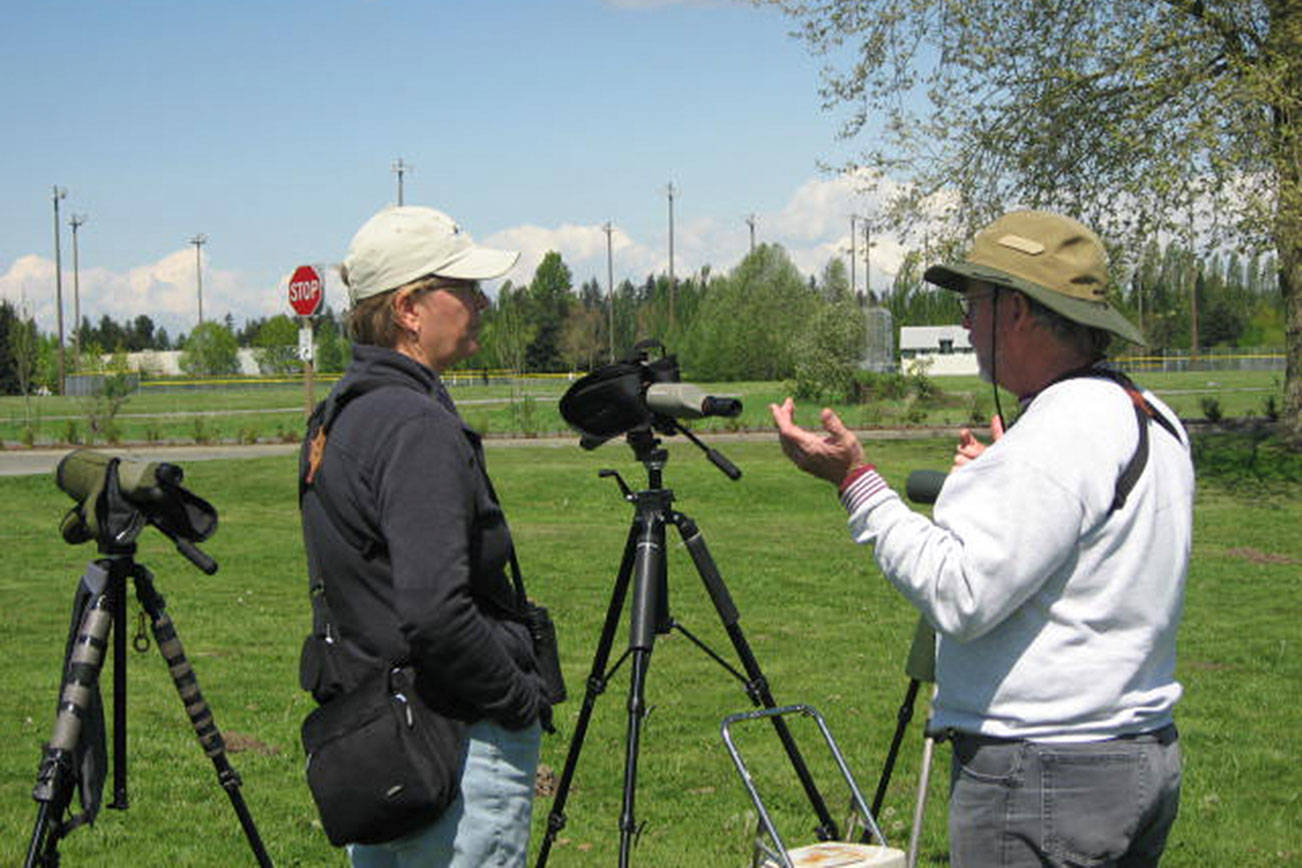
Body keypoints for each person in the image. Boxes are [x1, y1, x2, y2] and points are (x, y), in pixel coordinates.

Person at [771, 211, 1192, 866]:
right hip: (1139, 754)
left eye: (973, 304)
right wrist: (1001, 479)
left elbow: (962, 595)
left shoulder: (1060, 431)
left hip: (1046, 772)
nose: (966, 323)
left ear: (1018, 310)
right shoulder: (1148, 412)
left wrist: (857, 482)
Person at [298, 205, 552, 867]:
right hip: (454, 741)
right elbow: (435, 611)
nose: (482, 302)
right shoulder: (413, 425)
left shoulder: (342, 415)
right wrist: (517, 700)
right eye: (463, 288)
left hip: (388, 737)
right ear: (409, 307)